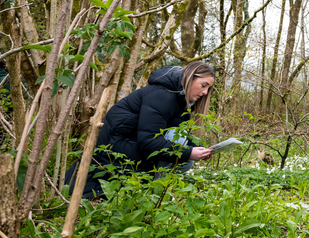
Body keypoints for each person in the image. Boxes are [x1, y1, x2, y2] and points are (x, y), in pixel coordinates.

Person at [66, 62, 216, 198]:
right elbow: (148, 142)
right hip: (116, 146)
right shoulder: (163, 96)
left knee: (185, 160)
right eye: (204, 85)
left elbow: (175, 133)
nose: (205, 92)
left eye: (208, 88)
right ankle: (151, 196)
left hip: (131, 143)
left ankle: (149, 194)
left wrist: (197, 149)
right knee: (178, 158)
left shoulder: (178, 100)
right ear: (190, 78)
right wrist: (189, 152)